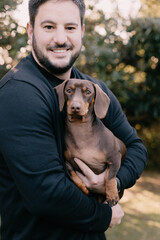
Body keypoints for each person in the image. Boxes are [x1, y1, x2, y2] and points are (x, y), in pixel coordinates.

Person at [0, 0, 147, 239]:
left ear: (82, 31)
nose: (60, 38)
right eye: (49, 27)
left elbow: (136, 147)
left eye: (70, 27)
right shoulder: (19, 94)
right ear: (30, 31)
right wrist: (106, 215)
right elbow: (46, 194)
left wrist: (113, 183)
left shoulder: (95, 90)